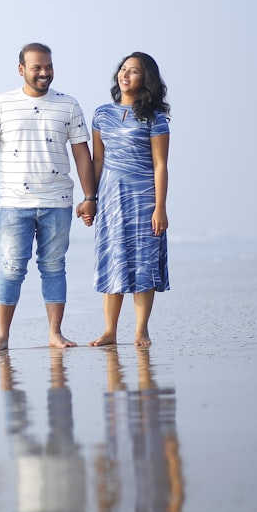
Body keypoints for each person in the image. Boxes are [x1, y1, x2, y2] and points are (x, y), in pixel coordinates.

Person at [0, 43, 97, 353]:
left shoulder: (69, 105)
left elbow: (81, 154)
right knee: (11, 267)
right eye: (37, 67)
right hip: (14, 203)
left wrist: (91, 196)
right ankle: (2, 335)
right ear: (21, 69)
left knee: (53, 266)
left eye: (48, 66)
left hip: (58, 201)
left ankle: (54, 333)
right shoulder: (1, 103)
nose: (44, 72)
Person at [84, 52, 170, 348]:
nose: (125, 74)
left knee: (143, 261)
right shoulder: (101, 114)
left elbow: (160, 165)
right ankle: (109, 331)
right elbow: (97, 161)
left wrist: (161, 207)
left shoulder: (155, 119)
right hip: (111, 197)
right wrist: (90, 199)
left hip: (144, 198)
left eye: (133, 71)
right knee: (113, 259)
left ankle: (141, 330)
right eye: (123, 69)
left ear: (146, 79)